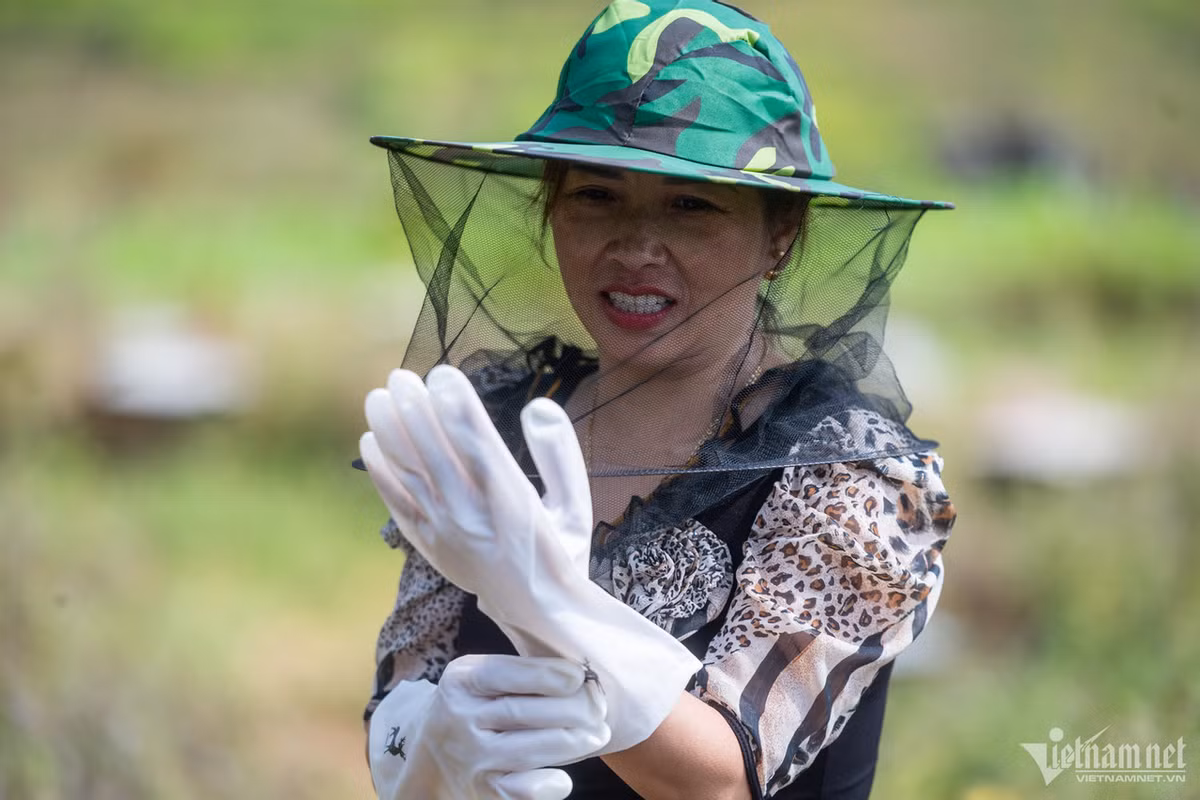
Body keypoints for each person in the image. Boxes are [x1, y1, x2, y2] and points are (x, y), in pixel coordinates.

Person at [356, 1, 957, 798]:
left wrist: (545, 606)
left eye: (689, 204)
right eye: (596, 197)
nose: (636, 249)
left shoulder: (844, 476)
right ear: (549, 207)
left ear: (781, 232)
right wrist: (429, 751)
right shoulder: (494, 427)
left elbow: (727, 775)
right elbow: (400, 701)